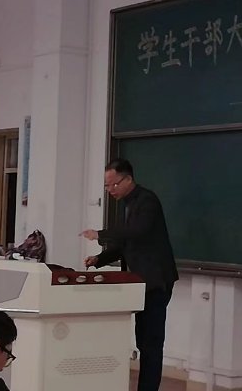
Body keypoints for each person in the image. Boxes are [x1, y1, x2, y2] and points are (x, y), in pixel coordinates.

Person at [81, 158, 178, 391]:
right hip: (140, 282)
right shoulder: (128, 204)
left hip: (156, 280)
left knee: (151, 343)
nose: (110, 190)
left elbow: (137, 231)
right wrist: (100, 259)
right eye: (107, 186)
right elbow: (126, 242)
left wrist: (100, 234)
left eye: (114, 184)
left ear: (128, 179)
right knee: (143, 340)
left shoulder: (147, 201)